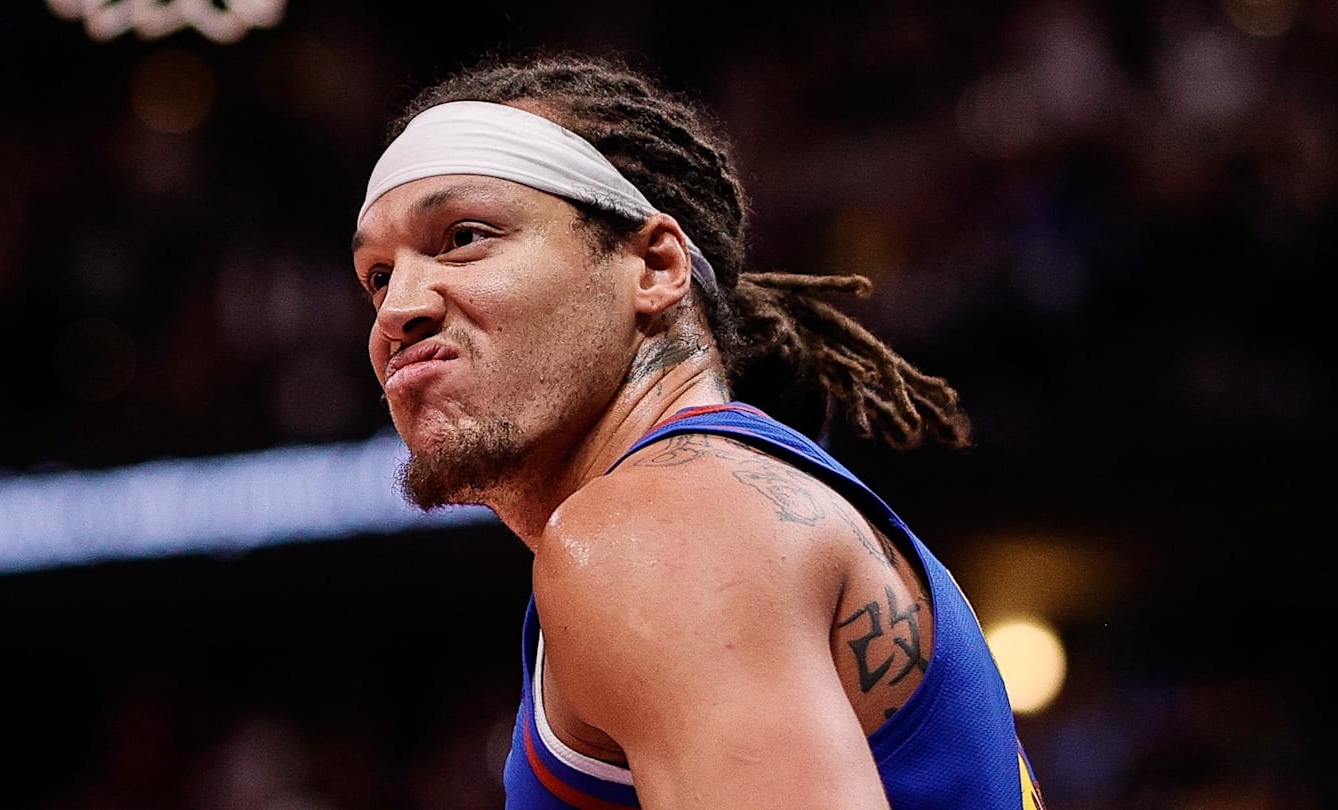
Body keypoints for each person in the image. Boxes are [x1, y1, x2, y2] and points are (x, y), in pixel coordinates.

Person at [350, 48, 1047, 810]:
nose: (398, 310)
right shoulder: (723, 505)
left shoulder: (659, 527)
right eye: (379, 275)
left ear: (653, 266)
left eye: (464, 237)